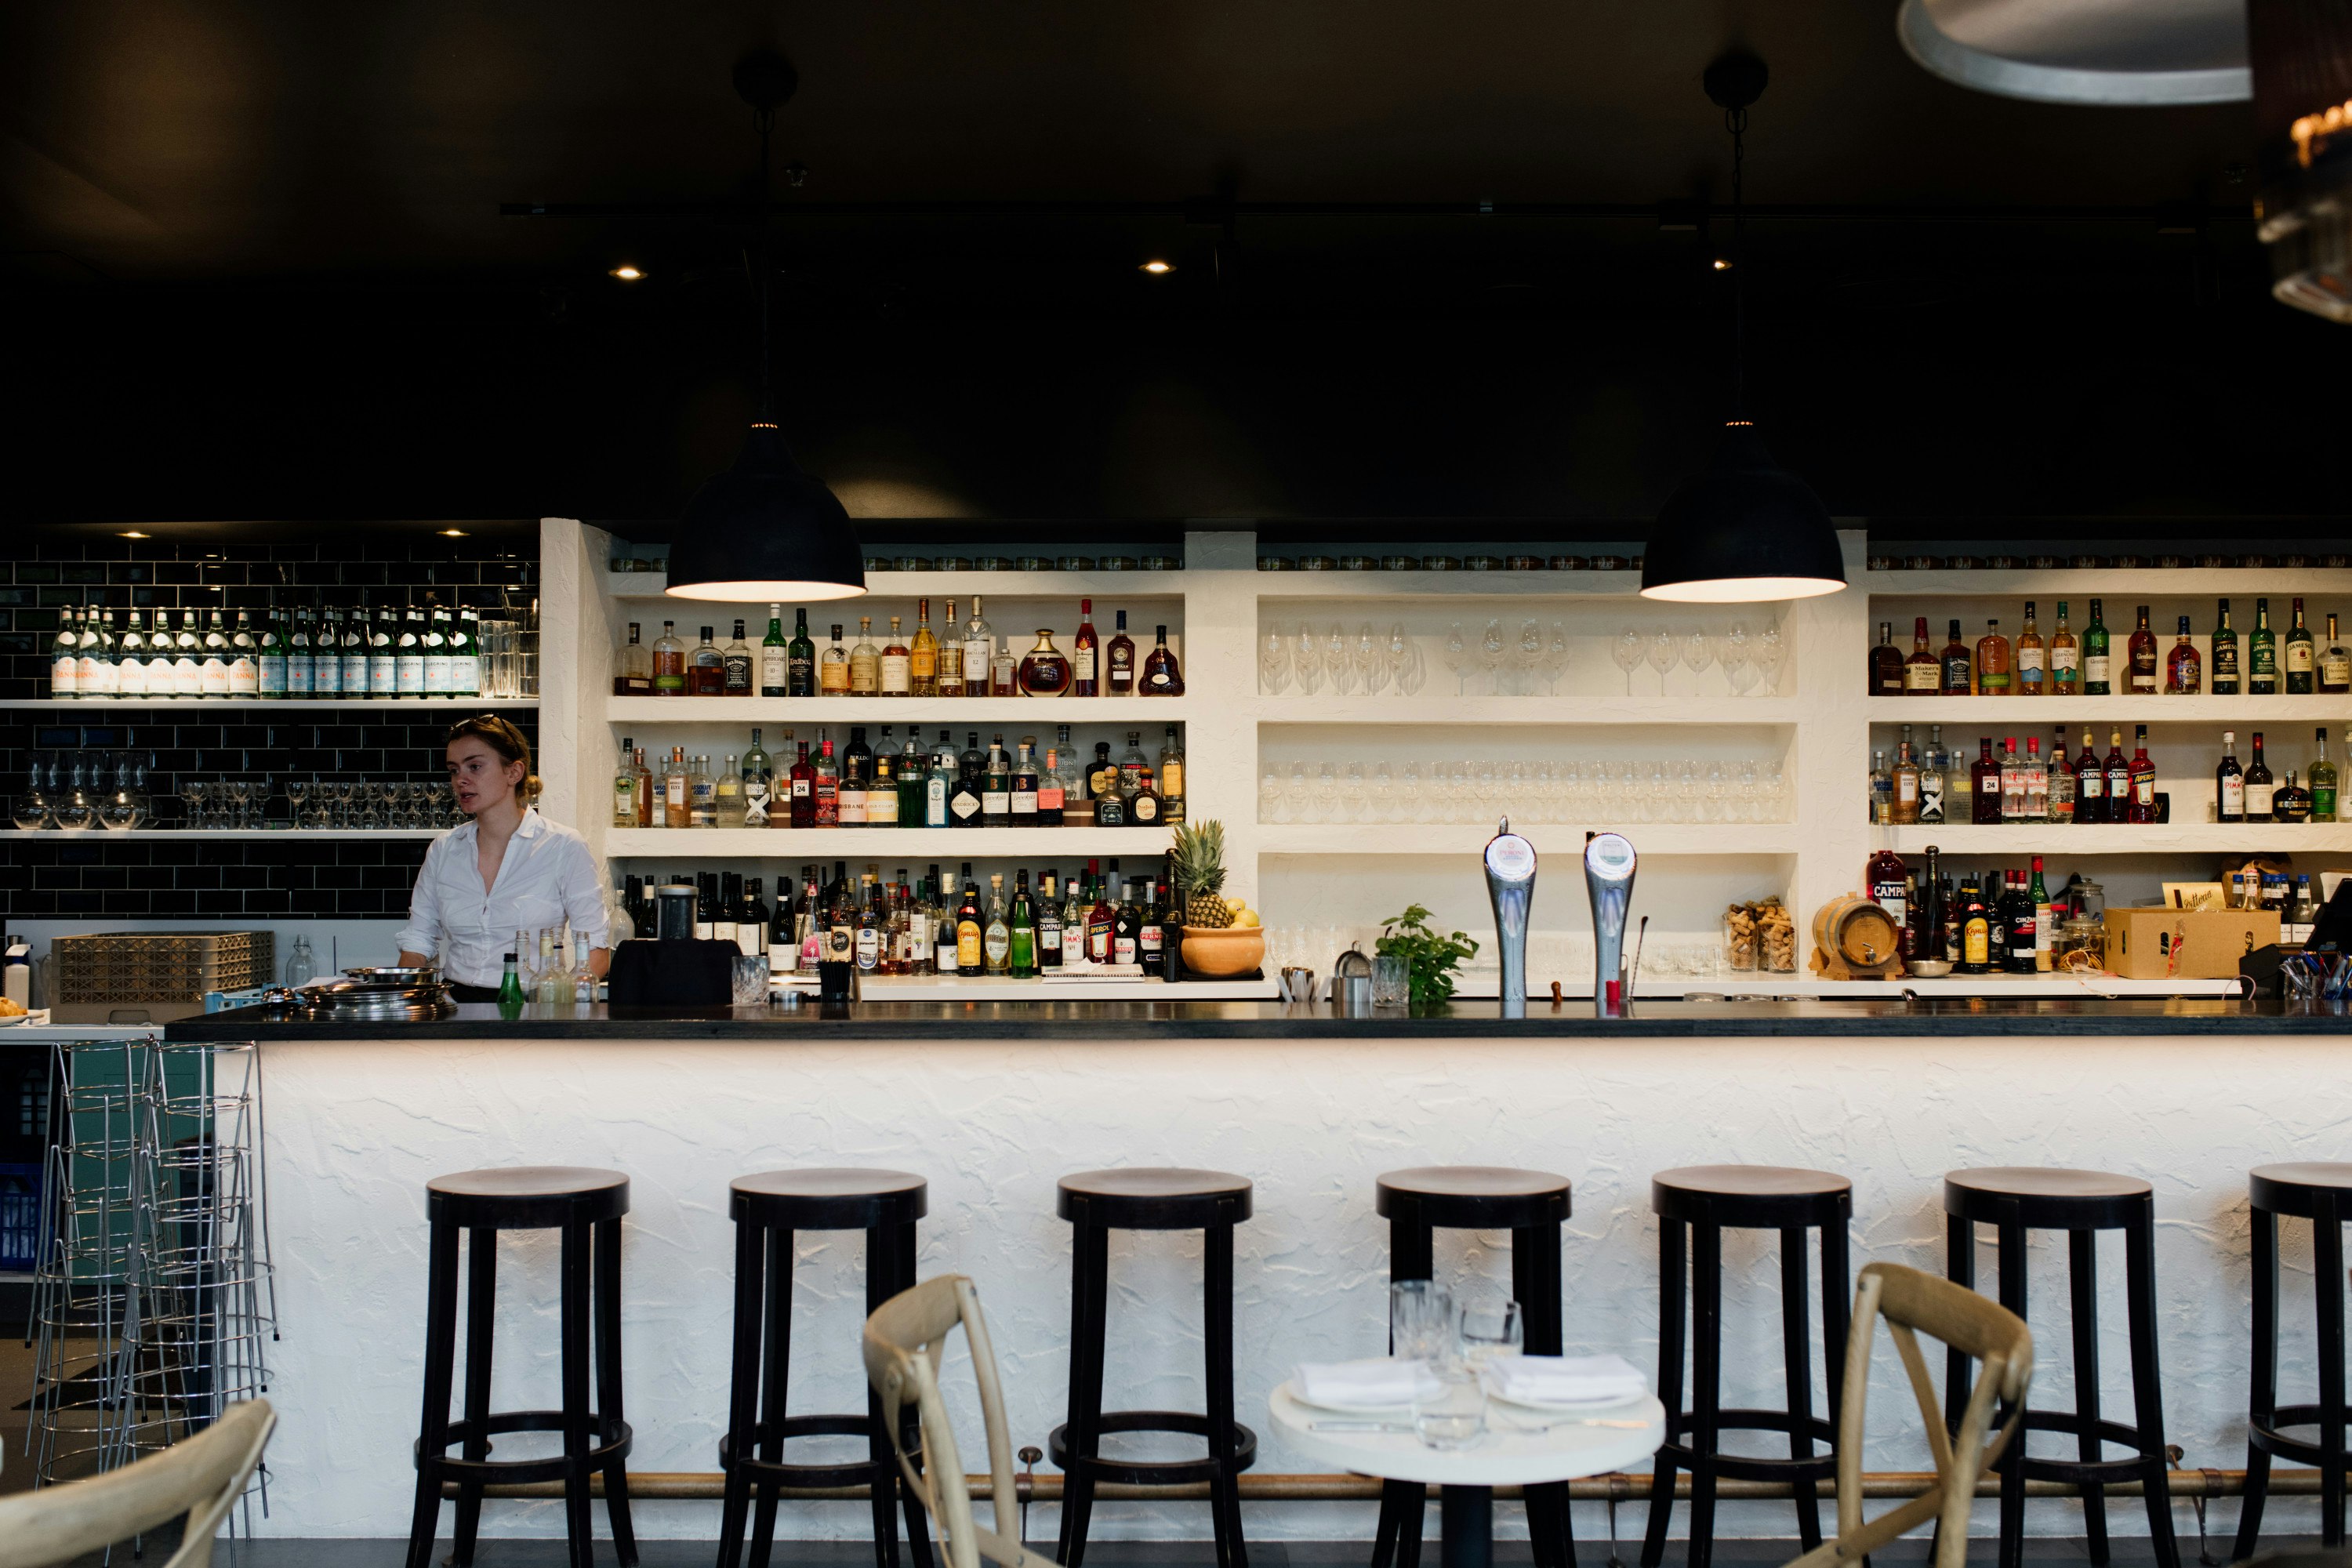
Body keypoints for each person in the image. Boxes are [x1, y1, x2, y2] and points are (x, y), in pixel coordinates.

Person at [397, 715, 609, 1002]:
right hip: (454, 1004)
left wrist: (561, 1003)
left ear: (514, 772)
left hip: (533, 1003)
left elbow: (595, 948)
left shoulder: (563, 846)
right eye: (453, 770)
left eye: (475, 766)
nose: (461, 780)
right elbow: (419, 938)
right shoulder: (444, 849)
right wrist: (396, 997)